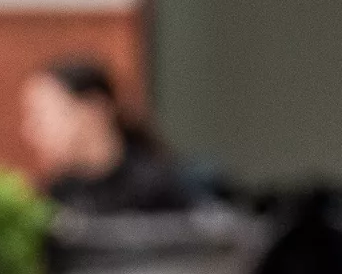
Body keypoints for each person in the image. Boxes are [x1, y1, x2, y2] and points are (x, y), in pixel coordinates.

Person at [21, 56, 209, 216]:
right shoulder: (56, 197)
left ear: (93, 110)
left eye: (41, 116)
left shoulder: (165, 191)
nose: (29, 131)